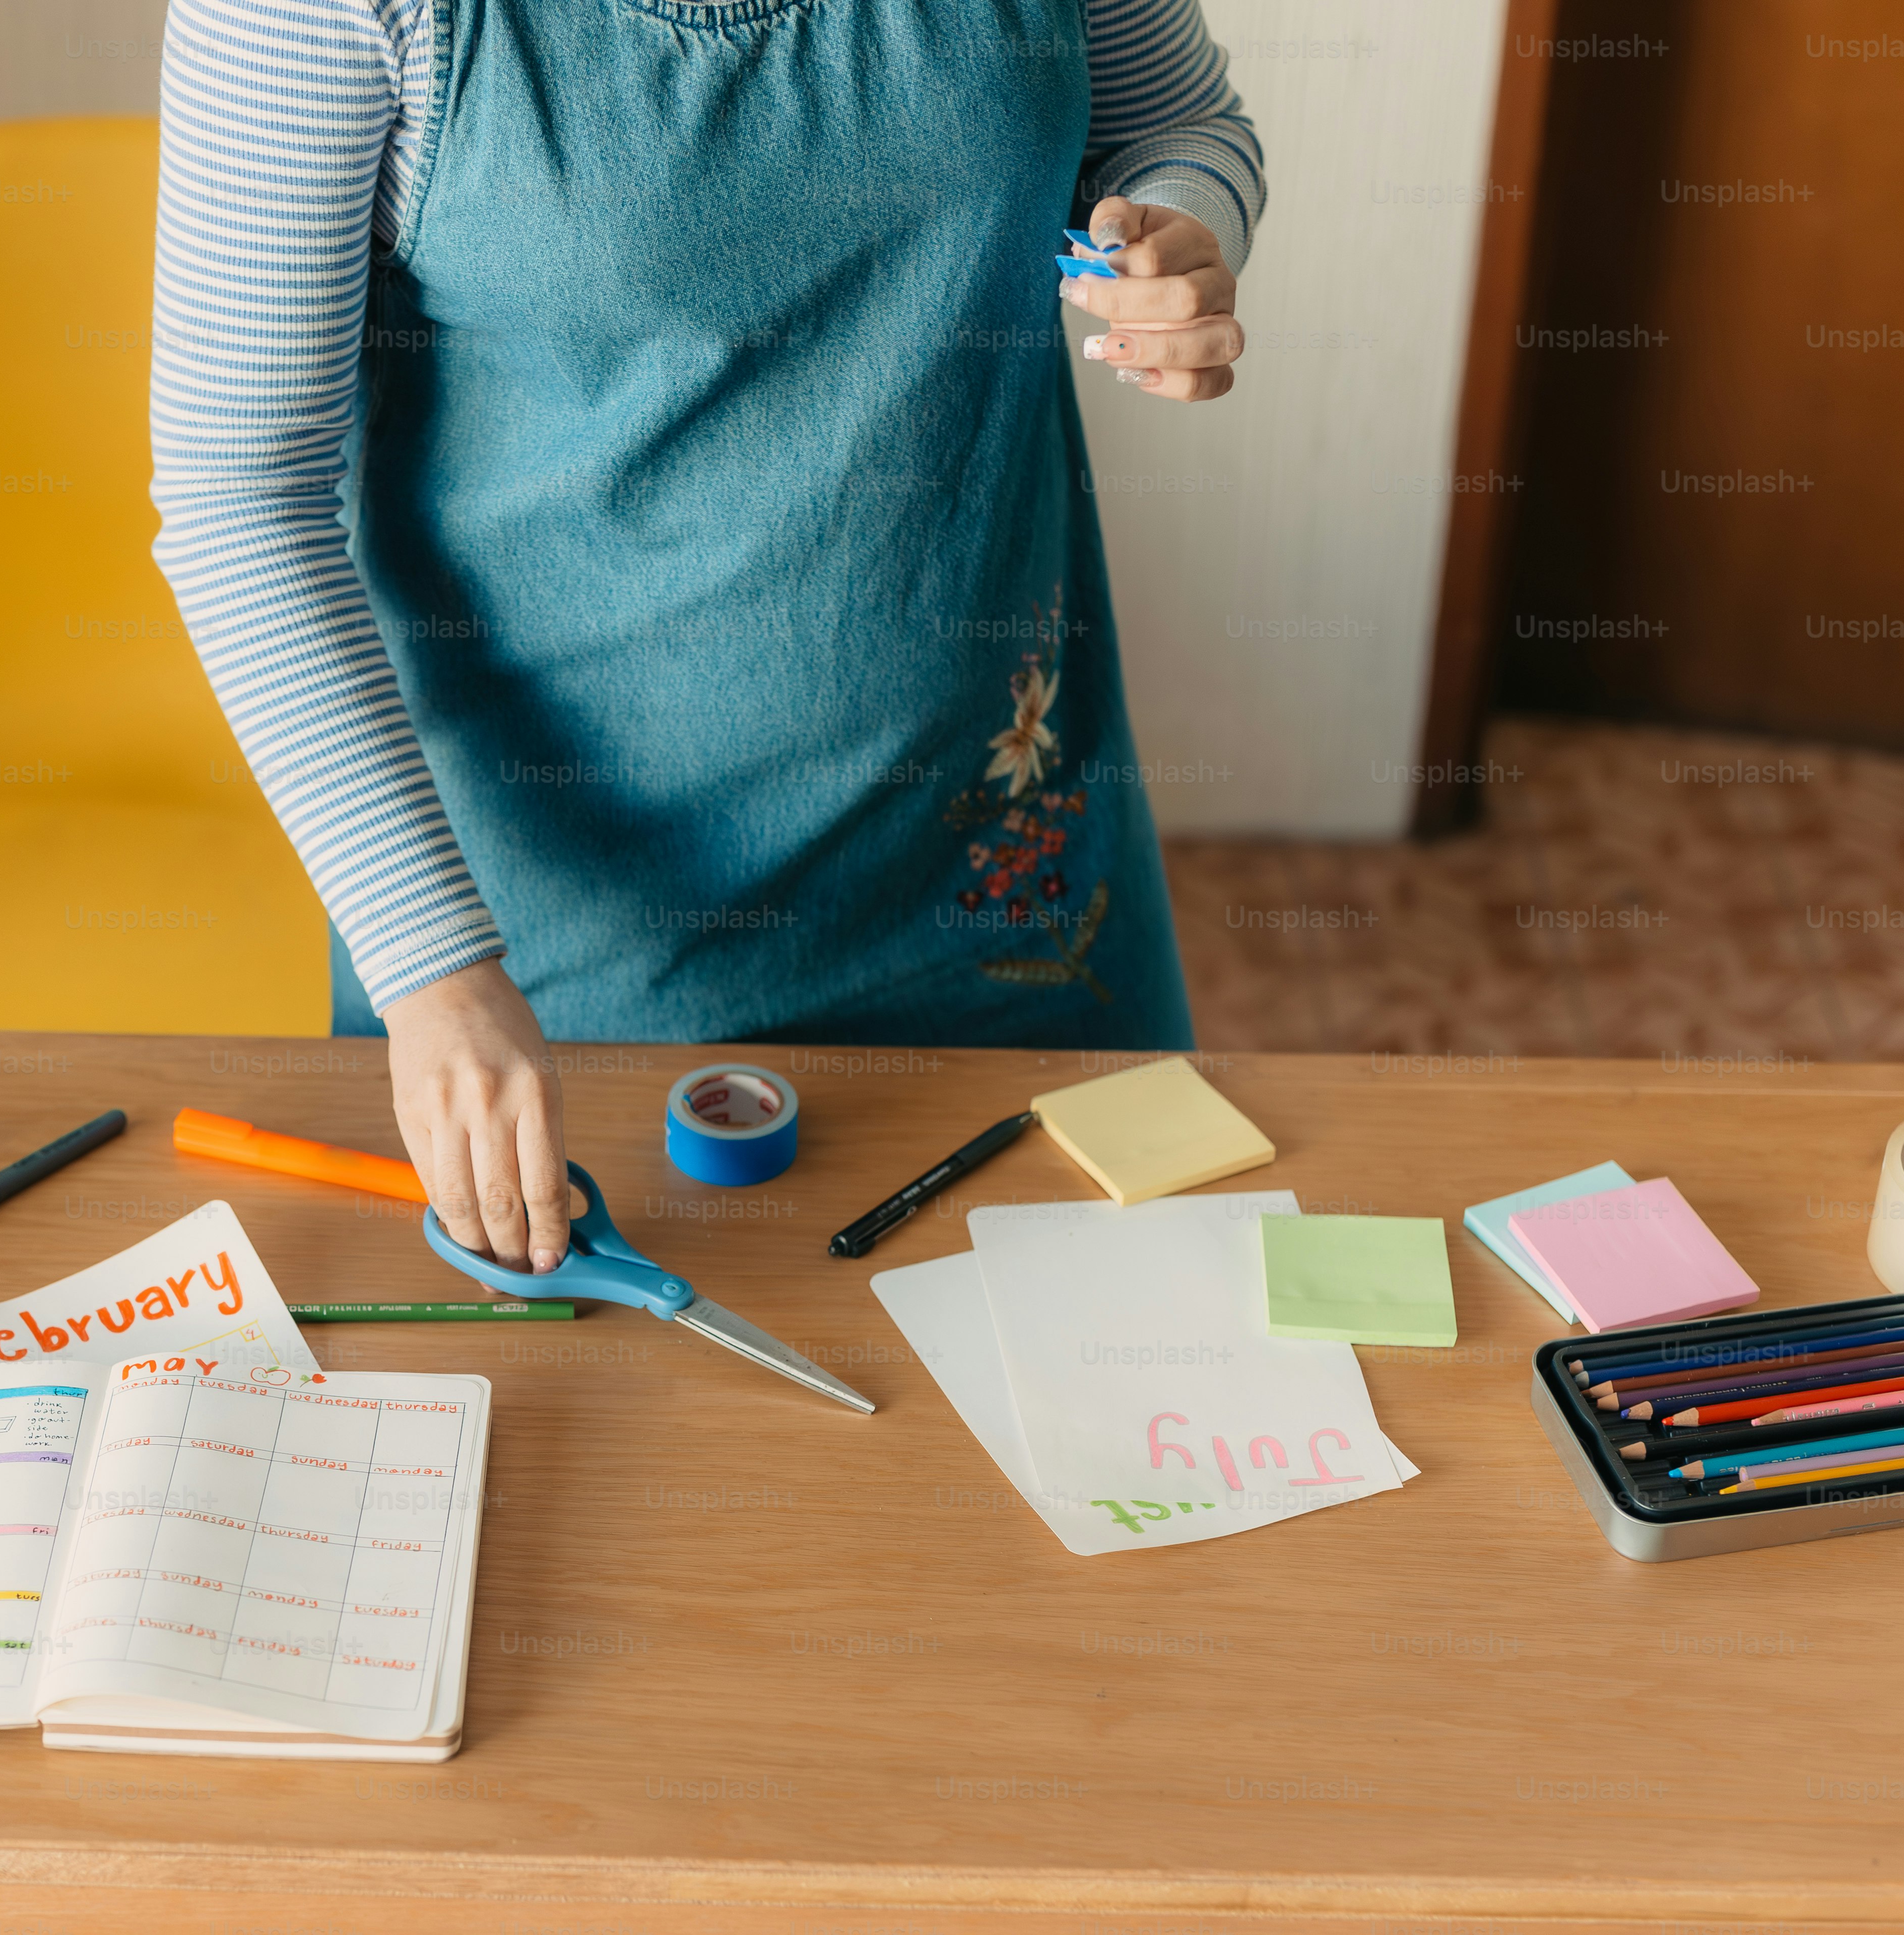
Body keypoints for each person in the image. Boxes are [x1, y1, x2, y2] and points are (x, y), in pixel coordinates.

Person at [150, 0, 1262, 1277]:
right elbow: (242, 497)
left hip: (1007, 874)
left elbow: (1178, 122)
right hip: (549, 939)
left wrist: (1182, 234)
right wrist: (433, 973)